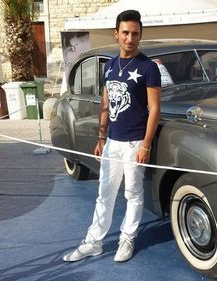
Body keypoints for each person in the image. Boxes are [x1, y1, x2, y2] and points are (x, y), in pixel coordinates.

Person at [62, 10, 161, 263]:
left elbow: (155, 109)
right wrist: (101, 137)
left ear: (140, 35)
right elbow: (105, 103)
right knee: (104, 193)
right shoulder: (110, 66)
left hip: (135, 142)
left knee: (133, 193)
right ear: (116, 34)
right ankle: (93, 242)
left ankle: (127, 238)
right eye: (125, 33)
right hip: (112, 142)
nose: (130, 38)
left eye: (135, 33)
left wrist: (146, 145)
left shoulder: (148, 68)